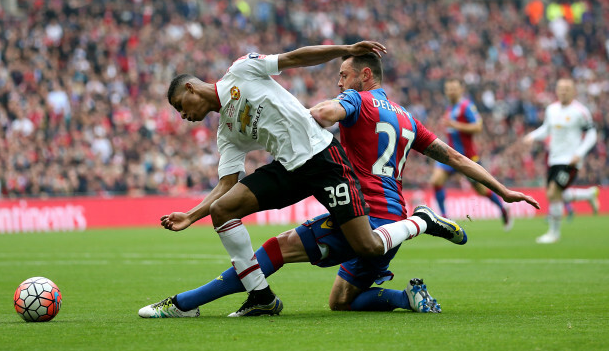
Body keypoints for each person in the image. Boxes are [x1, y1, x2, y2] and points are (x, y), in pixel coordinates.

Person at [139, 52, 539, 318]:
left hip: (367, 214)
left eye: (344, 76)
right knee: (340, 301)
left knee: (277, 250)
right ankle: (407, 295)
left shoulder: (356, 101)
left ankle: (191, 303)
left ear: (364, 76)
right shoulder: (406, 117)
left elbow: (330, 110)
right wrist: (502, 189)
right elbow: (454, 157)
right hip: (389, 221)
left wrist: (302, 113)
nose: (339, 82)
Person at [429, 78, 513, 231]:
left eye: (454, 88)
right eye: (448, 89)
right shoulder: (449, 108)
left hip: (466, 157)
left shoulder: (466, 106)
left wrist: (455, 125)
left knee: (481, 190)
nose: (451, 91)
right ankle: (445, 219)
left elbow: (478, 127)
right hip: (449, 154)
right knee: (436, 181)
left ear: (461, 90)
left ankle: (503, 208)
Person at [523, 78, 598, 244]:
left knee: (553, 192)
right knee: (554, 194)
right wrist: (532, 136)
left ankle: (553, 233)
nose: (563, 91)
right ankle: (588, 194)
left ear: (573, 91)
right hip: (554, 159)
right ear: (556, 91)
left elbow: (592, 135)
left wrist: (580, 153)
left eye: (567, 89)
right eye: (561, 89)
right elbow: (546, 130)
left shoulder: (581, 111)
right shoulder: (552, 109)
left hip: (571, 160)